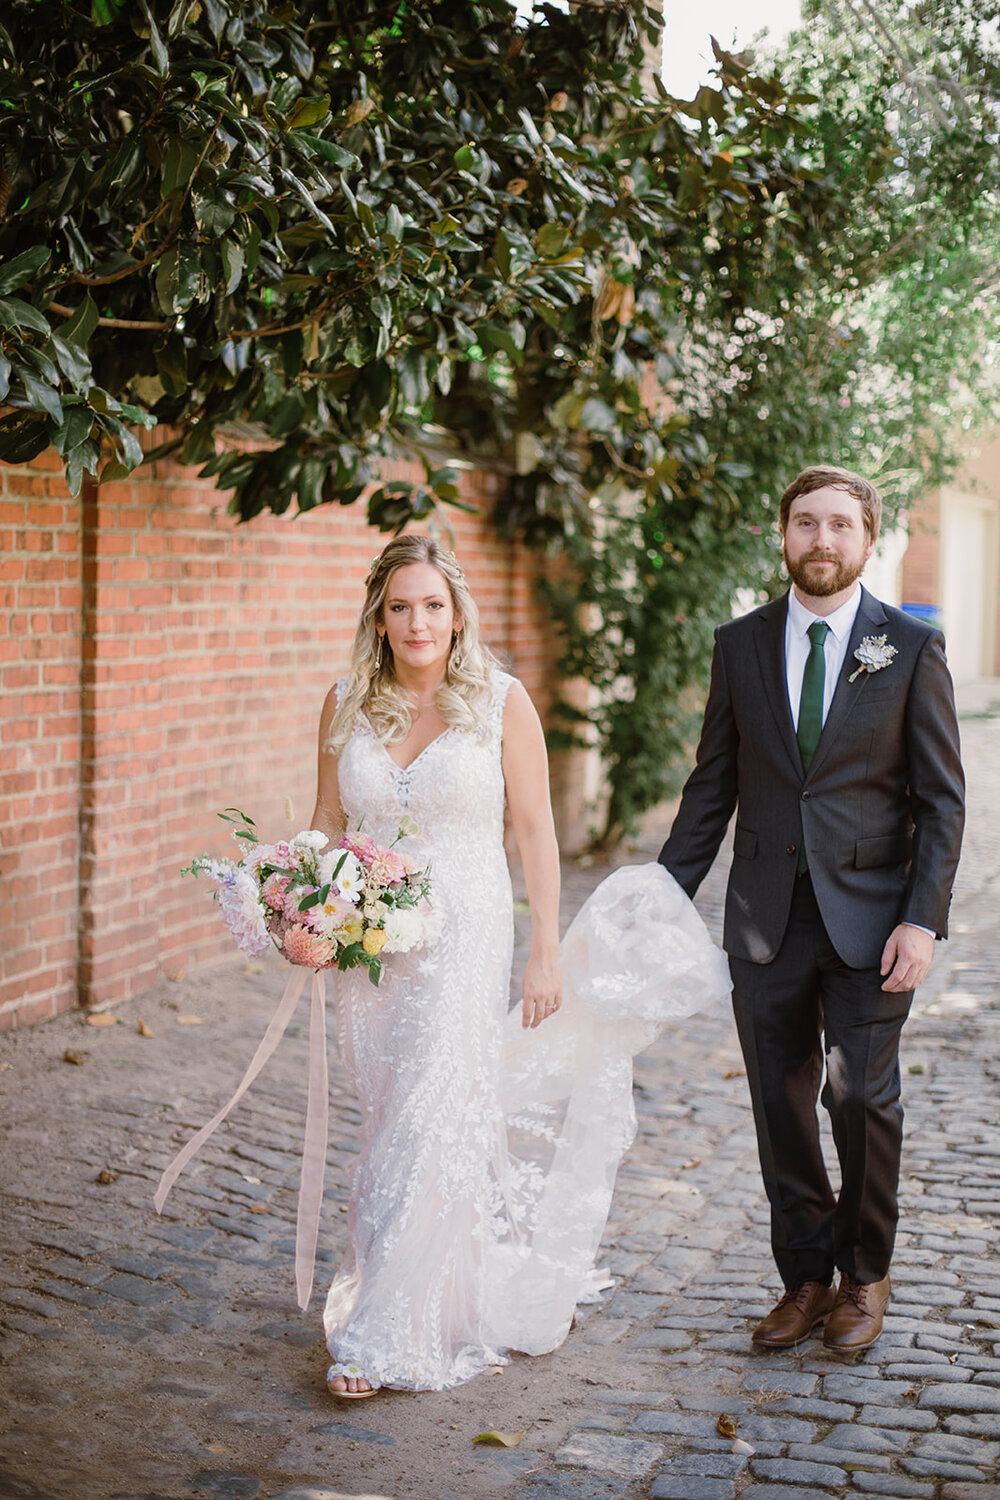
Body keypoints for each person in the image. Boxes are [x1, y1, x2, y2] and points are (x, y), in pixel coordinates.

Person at [310, 535, 731, 1396]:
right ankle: (435, 1285)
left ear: (458, 613)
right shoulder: (347, 701)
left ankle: (398, 1332)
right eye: (400, 607)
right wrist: (300, 901)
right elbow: (324, 821)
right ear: (378, 618)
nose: (418, 622)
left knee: (434, 1110)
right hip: (369, 947)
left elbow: (536, 830)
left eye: (433, 605)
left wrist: (547, 951)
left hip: (463, 933)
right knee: (389, 1114)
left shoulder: (500, 702)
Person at [658, 465, 965, 1353]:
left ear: (868, 541)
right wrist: (658, 898)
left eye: (839, 525)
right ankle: (804, 1276)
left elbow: (942, 801)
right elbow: (713, 783)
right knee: (779, 1102)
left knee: (859, 1099)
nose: (821, 540)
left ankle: (865, 1274)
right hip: (764, 917)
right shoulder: (741, 643)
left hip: (875, 921)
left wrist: (923, 918)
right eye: (805, 523)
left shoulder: (907, 647)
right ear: (783, 535)